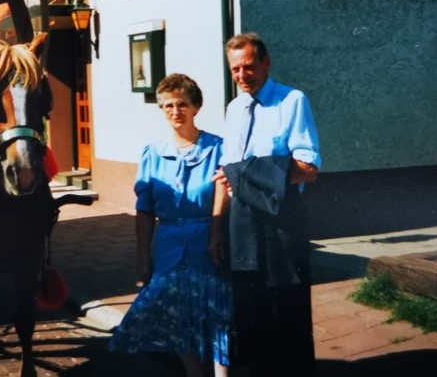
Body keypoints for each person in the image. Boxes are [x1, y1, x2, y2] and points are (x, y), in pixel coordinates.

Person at [213, 32, 321, 377]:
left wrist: (244, 173)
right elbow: (225, 174)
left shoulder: (292, 101)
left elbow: (308, 169)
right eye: (235, 69)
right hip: (241, 221)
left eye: (248, 66)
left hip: (281, 219)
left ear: (266, 63)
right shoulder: (234, 109)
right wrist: (216, 229)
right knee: (250, 309)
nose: (242, 75)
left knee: (287, 307)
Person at [109, 73, 230, 377]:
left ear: (196, 107)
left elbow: (223, 192)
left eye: (183, 104)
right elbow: (144, 210)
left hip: (207, 242)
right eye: (168, 106)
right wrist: (143, 257)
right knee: (176, 315)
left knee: (215, 312)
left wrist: (216, 233)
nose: (176, 111)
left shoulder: (218, 148)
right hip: (168, 244)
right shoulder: (152, 153)